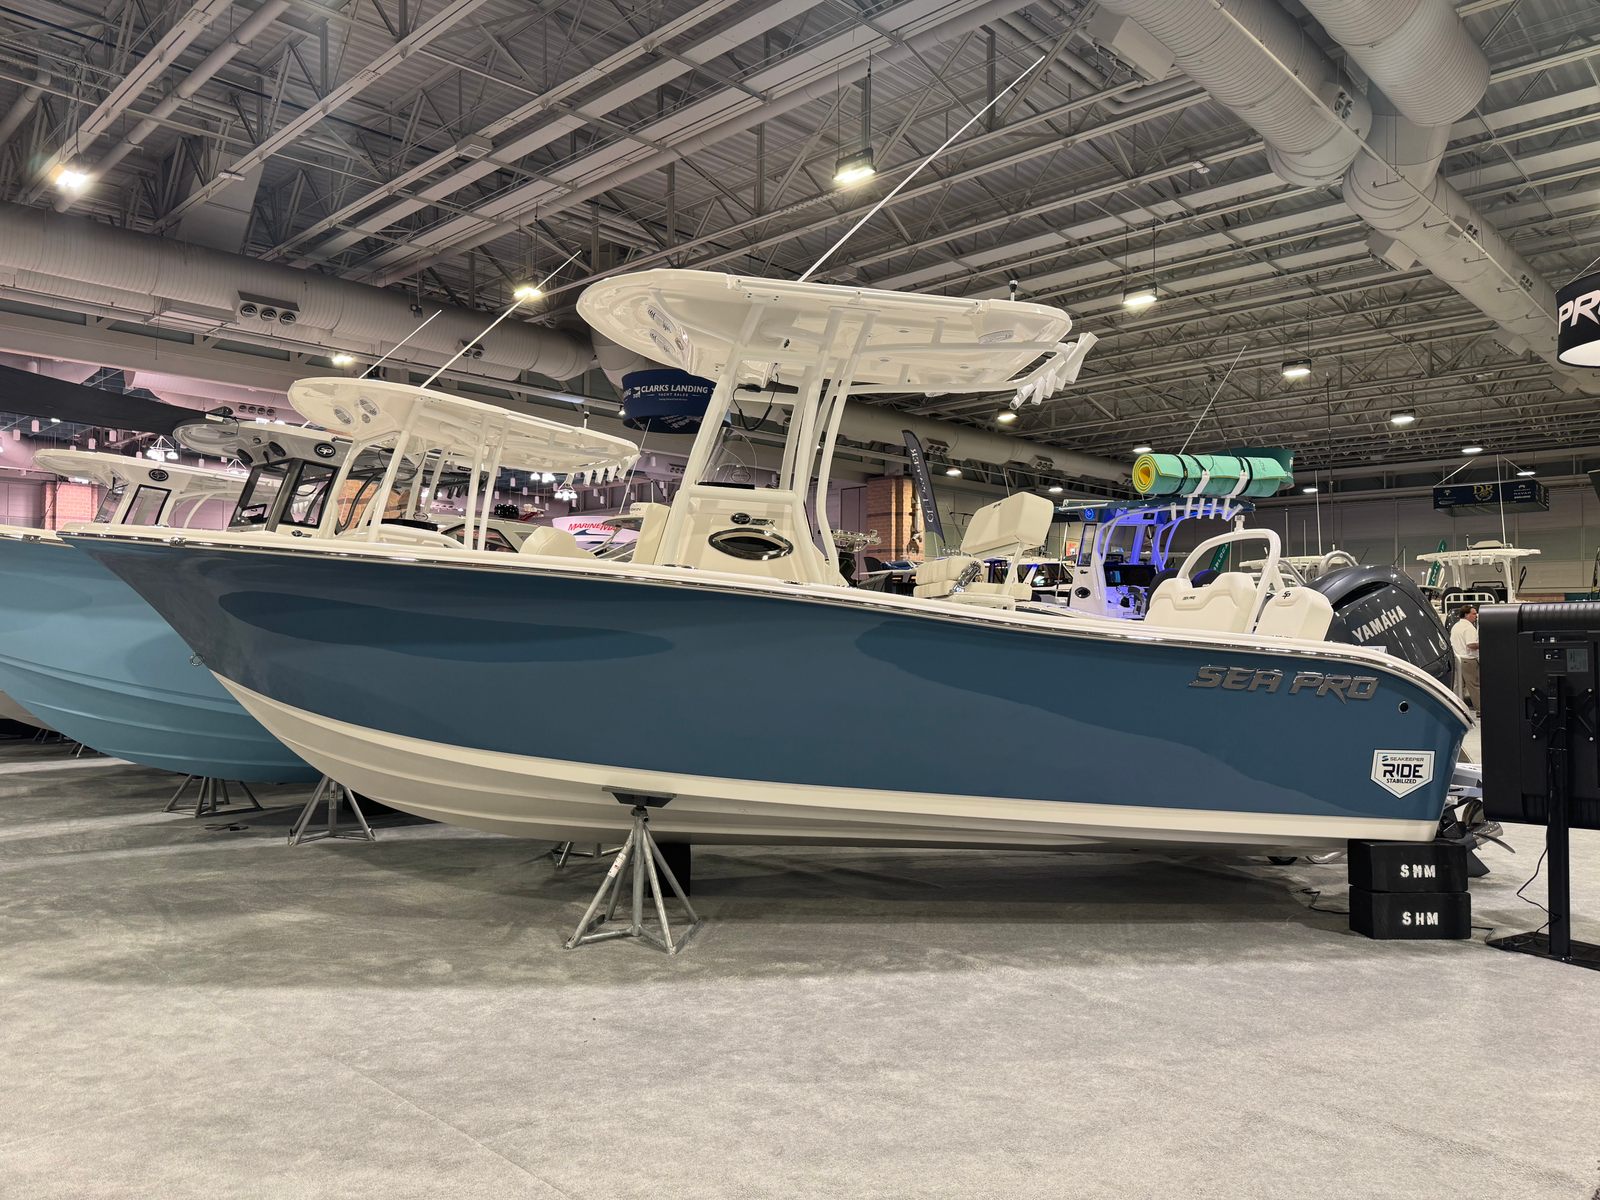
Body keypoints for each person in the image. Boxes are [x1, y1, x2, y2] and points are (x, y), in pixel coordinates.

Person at [1451, 604, 1480, 713]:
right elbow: (1471, 644)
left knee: (1458, 687)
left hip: (1457, 659)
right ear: (1466, 615)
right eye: (1474, 614)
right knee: (1474, 686)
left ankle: (1456, 709)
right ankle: (1480, 709)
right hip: (1468, 660)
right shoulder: (1469, 628)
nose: (1476, 616)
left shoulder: (1455, 626)